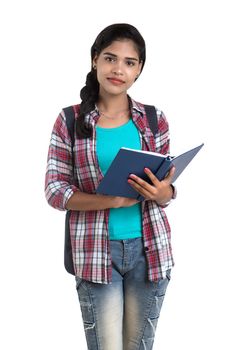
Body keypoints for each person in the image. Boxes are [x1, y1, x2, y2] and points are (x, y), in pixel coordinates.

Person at [45, 23, 176, 350]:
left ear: (139, 69)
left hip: (151, 252)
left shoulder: (154, 119)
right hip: (94, 253)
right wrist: (111, 200)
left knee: (138, 347)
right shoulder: (70, 120)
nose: (119, 69)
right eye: (110, 58)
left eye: (130, 62)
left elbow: (166, 183)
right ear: (95, 61)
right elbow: (55, 190)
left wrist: (165, 193)